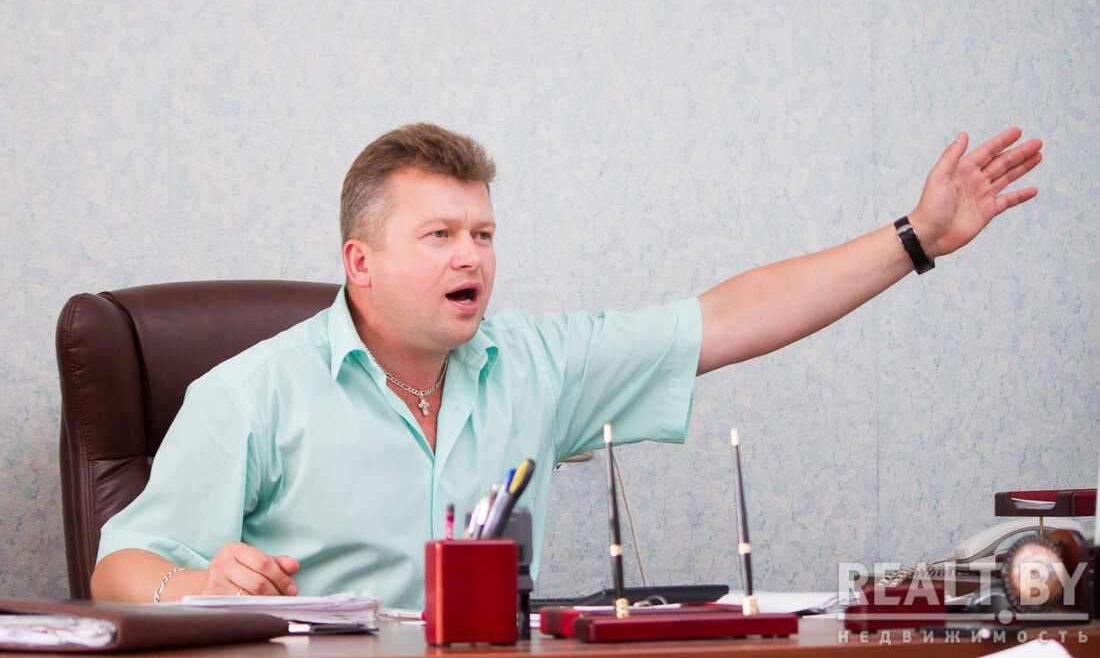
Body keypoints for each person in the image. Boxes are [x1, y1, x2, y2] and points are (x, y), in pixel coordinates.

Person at [90, 123, 1042, 608]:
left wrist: (917, 239)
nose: (471, 256)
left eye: (483, 234)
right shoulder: (249, 394)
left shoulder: (536, 364)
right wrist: (196, 589)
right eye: (439, 235)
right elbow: (119, 569)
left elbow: (729, 318)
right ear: (360, 261)